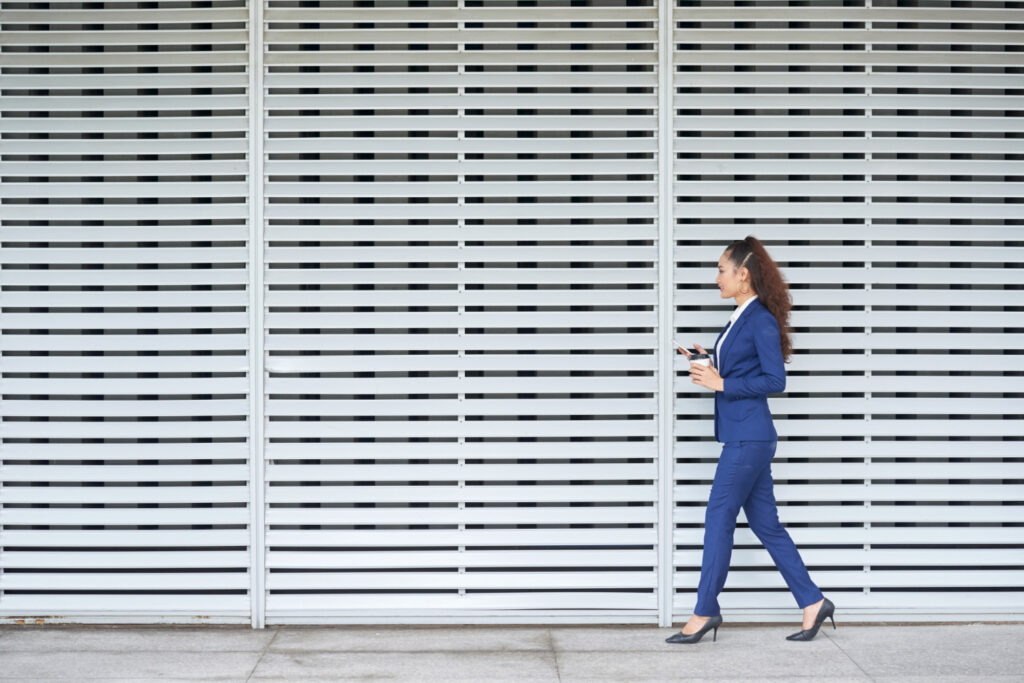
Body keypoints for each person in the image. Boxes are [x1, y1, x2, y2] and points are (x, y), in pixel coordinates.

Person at [665, 236, 835, 644]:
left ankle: (705, 610)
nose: (716, 278)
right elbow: (744, 369)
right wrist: (707, 362)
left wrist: (722, 382)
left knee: (718, 518)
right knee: (767, 525)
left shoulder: (759, 318)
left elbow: (776, 380)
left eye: (722, 270)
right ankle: (813, 602)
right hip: (746, 436)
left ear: (743, 274)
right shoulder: (740, 316)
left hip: (749, 439)